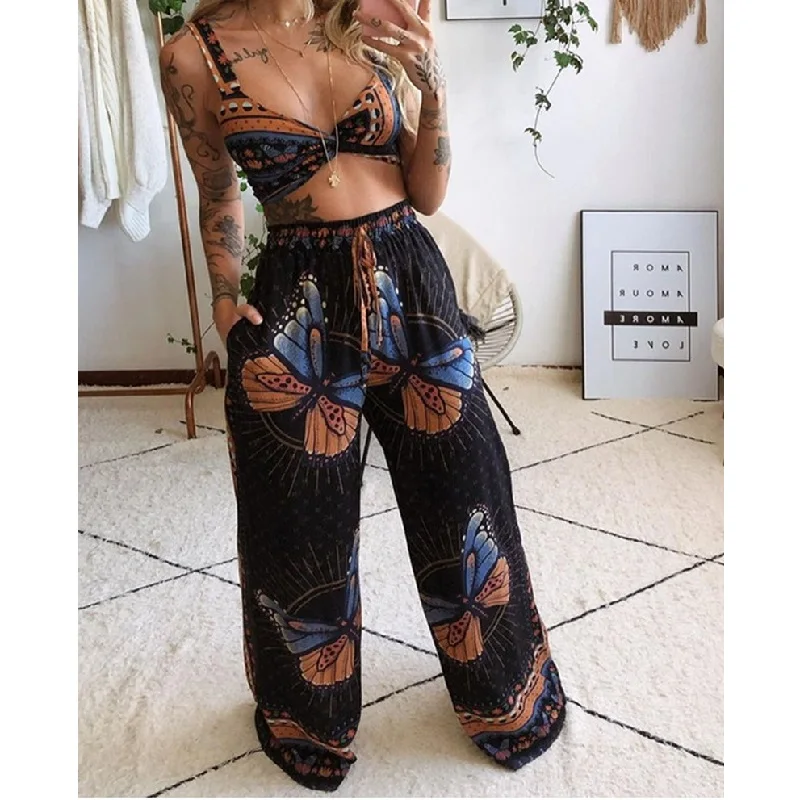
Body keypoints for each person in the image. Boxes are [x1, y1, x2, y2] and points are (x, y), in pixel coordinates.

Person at [159, 0, 565, 791]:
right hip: (298, 299)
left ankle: (505, 697)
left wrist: (434, 86)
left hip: (410, 276)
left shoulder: (370, 18)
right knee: (296, 527)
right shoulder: (193, 55)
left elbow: (428, 193)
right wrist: (222, 297)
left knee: (468, 498)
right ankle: (308, 723)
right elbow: (218, 191)